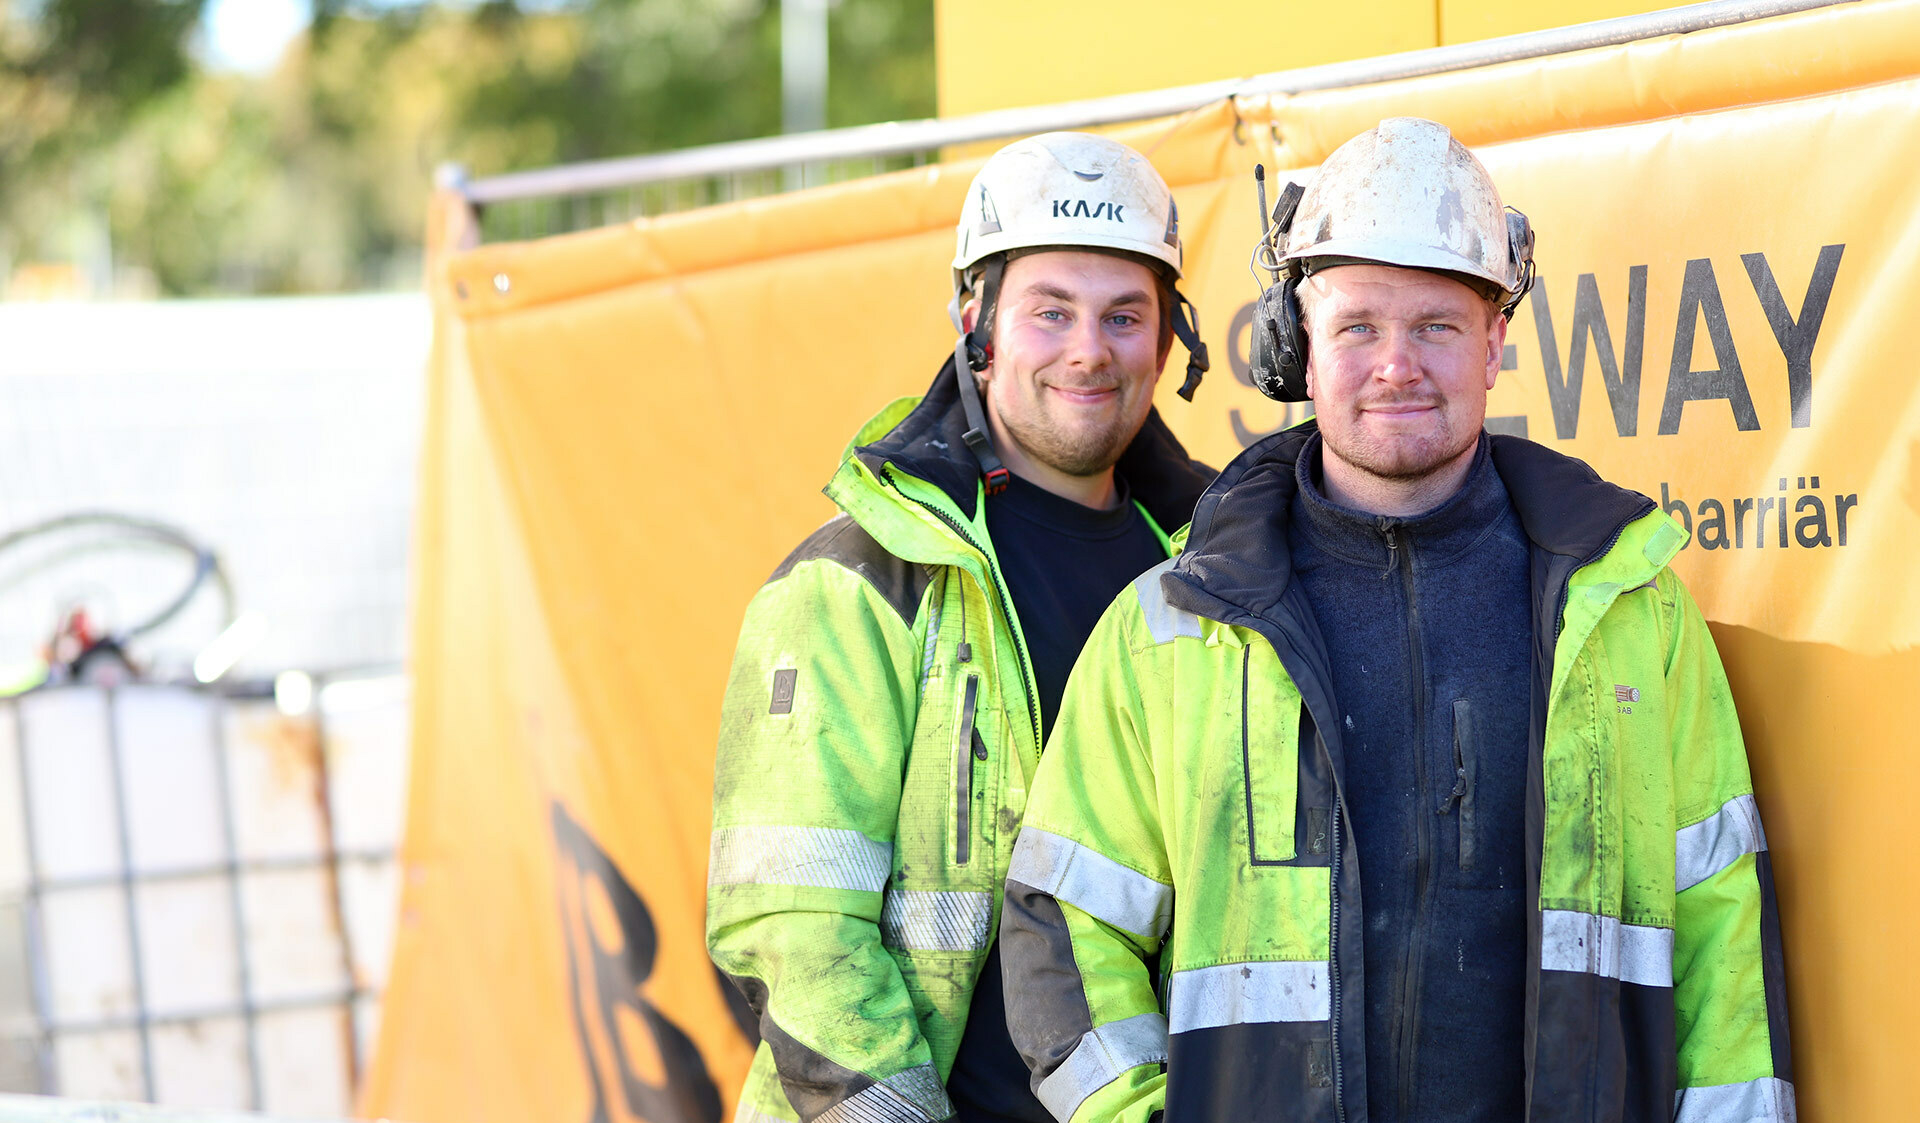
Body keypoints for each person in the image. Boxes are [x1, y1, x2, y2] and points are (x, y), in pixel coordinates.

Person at [1000, 117, 1793, 1123]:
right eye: (1359, 328)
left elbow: (1722, 938)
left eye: (1437, 326)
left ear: (1497, 341)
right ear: (1297, 345)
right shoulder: (1174, 627)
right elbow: (1065, 927)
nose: (1396, 366)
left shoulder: (1632, 610)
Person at [706, 131, 1216, 1123]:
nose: (1088, 349)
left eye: (1124, 315)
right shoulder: (862, 579)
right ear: (976, 322)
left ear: (1166, 342)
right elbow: (794, 929)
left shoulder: (1212, 575)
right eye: (1051, 310)